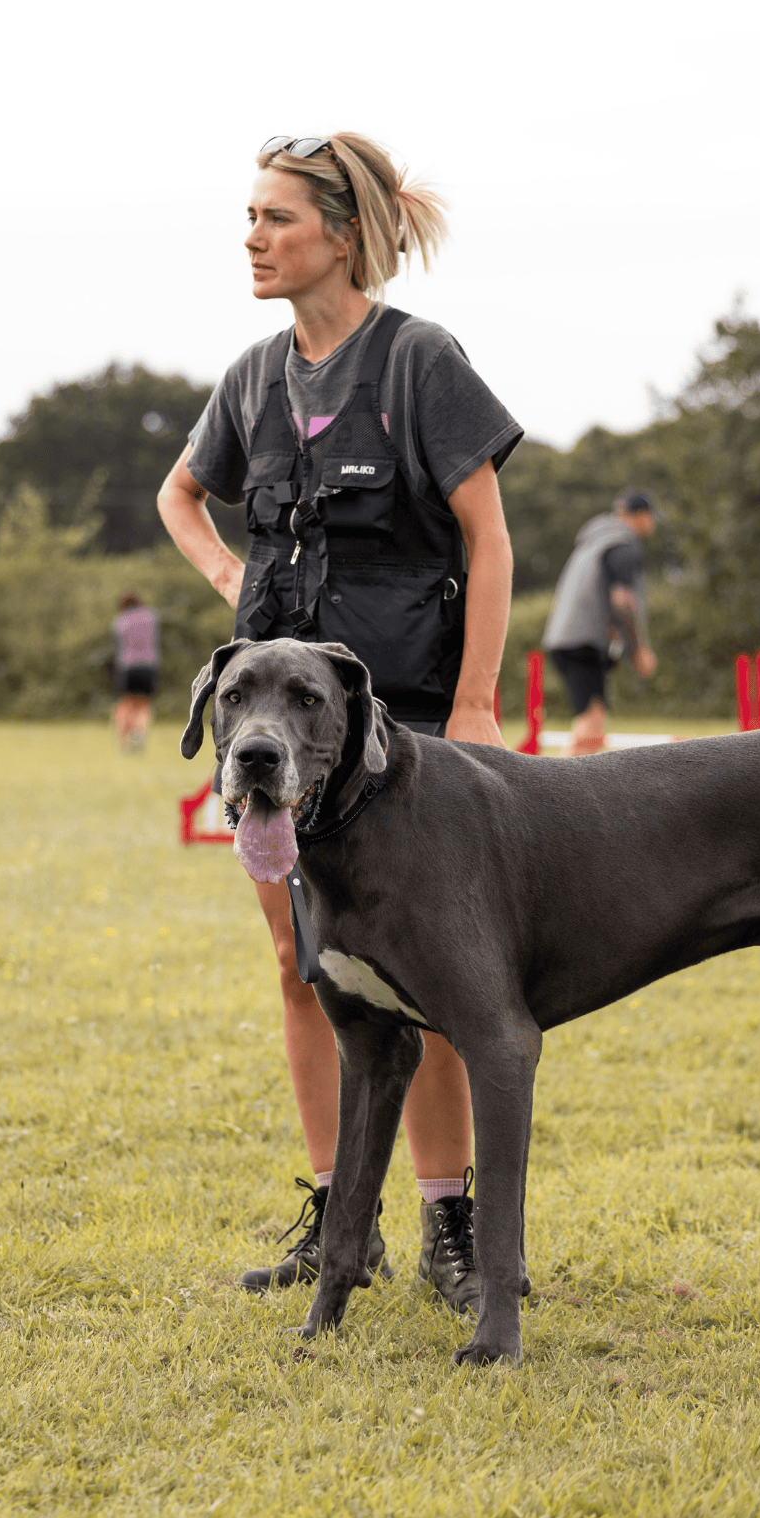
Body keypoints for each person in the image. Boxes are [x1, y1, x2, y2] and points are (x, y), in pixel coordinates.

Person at [157, 132, 521, 1313]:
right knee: (303, 962)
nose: (253, 239)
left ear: (343, 233)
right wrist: (227, 578)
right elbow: (180, 492)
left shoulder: (419, 362)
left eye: (275, 218)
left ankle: (449, 1226)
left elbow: (491, 536)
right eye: (248, 219)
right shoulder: (254, 378)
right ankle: (334, 1215)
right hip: (279, 731)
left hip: (407, 728)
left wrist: (475, 700)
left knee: (441, 980)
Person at [542, 490, 658, 754]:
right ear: (641, 517)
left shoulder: (594, 541)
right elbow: (623, 600)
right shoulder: (622, 546)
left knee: (592, 720)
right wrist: (636, 649)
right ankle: (561, 788)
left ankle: (569, 786)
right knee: (591, 724)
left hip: (565, 638)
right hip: (582, 642)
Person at [111, 591, 160, 751]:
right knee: (143, 704)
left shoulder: (120, 621)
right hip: (148, 665)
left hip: (127, 666)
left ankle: (123, 742)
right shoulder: (151, 616)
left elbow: (119, 641)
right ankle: (139, 732)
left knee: (126, 703)